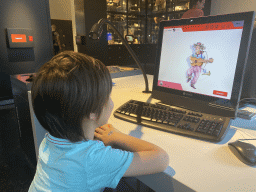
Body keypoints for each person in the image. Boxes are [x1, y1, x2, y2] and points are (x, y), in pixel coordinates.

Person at [28, 51, 169, 192]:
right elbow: (161, 159)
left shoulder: (49, 140)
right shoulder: (93, 159)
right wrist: (115, 136)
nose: (111, 101)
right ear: (92, 113)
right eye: (108, 96)